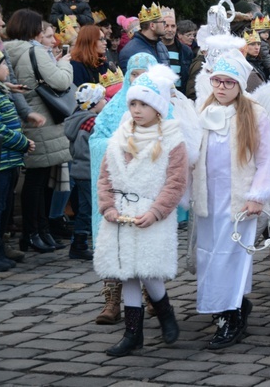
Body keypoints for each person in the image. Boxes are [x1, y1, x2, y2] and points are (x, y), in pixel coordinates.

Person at [191, 54, 270, 349]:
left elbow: (268, 158)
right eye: (216, 80)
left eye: (228, 82)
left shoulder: (254, 115)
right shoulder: (205, 111)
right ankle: (228, 305)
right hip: (209, 198)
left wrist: (258, 196)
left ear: (239, 85)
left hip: (239, 200)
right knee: (209, 255)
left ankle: (229, 315)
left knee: (229, 257)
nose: (220, 87)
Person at [94, 65, 188, 357]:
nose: (136, 109)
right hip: (121, 215)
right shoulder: (120, 137)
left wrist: (157, 211)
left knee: (149, 271)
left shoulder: (172, 140)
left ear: (158, 108)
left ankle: (166, 312)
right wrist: (107, 206)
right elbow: (105, 177)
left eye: (144, 104)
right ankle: (132, 334)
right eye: (133, 103)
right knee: (128, 272)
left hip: (151, 213)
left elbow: (175, 182)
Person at [90, 53, 159, 325]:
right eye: (134, 74)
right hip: (117, 186)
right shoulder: (114, 108)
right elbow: (97, 140)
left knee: (145, 242)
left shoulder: (163, 109)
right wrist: (119, 147)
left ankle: (152, 293)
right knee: (113, 242)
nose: (138, 80)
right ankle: (112, 298)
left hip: (145, 188)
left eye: (145, 74)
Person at [3, 9, 73, 254]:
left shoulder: (8, 50)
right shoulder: (34, 51)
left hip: (27, 118)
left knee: (38, 178)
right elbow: (61, 81)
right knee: (38, 180)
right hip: (41, 118)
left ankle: (38, 231)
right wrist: (65, 64)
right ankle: (35, 233)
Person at [0, 40, 33, 271]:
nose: (8, 68)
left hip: (6, 159)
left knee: (1, 207)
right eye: (4, 64)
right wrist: (22, 142)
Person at [64, 83, 107, 260]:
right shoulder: (92, 122)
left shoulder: (78, 119)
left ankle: (79, 243)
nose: (105, 101)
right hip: (89, 171)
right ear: (94, 103)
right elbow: (88, 149)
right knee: (91, 209)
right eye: (102, 98)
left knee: (85, 207)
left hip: (80, 170)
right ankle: (81, 243)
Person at [70, 25, 123, 98]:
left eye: (104, 39)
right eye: (101, 39)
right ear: (89, 41)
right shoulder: (76, 66)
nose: (105, 42)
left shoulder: (102, 63)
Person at [118, 3, 169, 72]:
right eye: (163, 22)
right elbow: (130, 80)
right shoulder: (130, 51)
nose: (166, 25)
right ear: (152, 26)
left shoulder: (161, 46)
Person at [161, 7, 193, 94]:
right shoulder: (153, 49)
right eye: (166, 26)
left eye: (173, 26)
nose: (170, 30)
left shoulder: (186, 51)